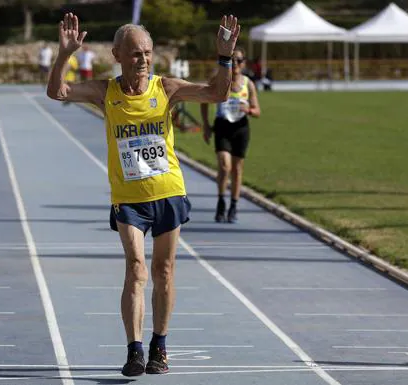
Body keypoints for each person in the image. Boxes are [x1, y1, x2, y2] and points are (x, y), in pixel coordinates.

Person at [46, 12, 240, 377]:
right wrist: (64, 55)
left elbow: (217, 93)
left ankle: (159, 345)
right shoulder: (107, 92)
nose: (143, 60)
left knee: (163, 270)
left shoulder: (165, 88)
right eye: (136, 53)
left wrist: (225, 57)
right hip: (129, 198)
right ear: (118, 55)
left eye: (148, 53)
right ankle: (134, 349)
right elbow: (58, 92)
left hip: (168, 191)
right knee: (136, 269)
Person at [201, 48, 260, 223]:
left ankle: (233, 206)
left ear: (244, 63)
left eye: (239, 61)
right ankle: (221, 200)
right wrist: (205, 125)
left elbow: (258, 111)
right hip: (222, 126)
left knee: (237, 169)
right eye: (232, 60)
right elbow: (203, 101)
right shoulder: (217, 80)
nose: (235, 64)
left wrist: (248, 109)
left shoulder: (248, 84)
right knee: (224, 166)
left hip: (241, 128)